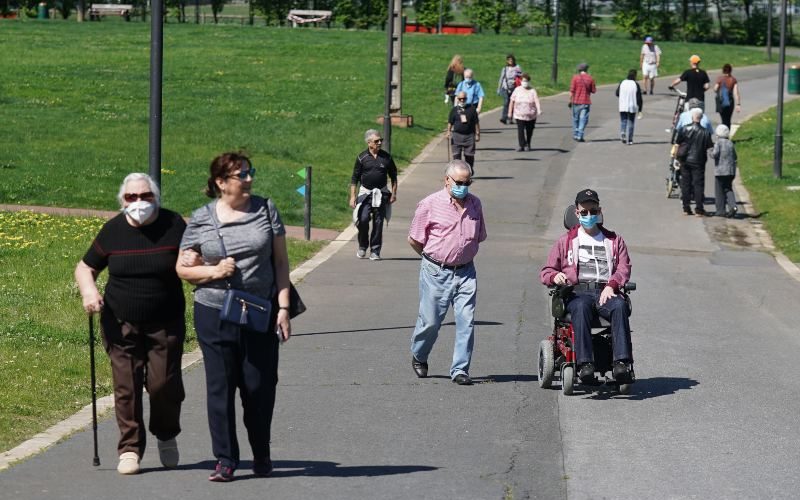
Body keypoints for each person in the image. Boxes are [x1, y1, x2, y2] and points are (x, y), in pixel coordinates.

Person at [177, 152, 292, 482]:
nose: (249, 178)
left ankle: (261, 452)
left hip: (259, 311)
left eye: (249, 172)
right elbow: (183, 268)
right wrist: (213, 270)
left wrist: (283, 308)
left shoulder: (266, 209)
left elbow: (281, 263)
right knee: (220, 386)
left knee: (258, 387)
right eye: (242, 174)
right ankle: (225, 459)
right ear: (221, 182)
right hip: (214, 312)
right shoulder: (201, 218)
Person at [74, 173, 186, 475]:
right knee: (127, 386)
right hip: (120, 320)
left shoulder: (174, 225)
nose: (139, 202)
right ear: (122, 201)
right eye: (131, 197)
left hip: (166, 321)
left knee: (164, 385)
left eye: (146, 196)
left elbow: (192, 259)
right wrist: (90, 292)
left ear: (157, 198)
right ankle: (129, 449)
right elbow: (86, 267)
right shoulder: (112, 230)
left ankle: (166, 433)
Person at [539, 188, 634, 384]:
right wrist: (556, 276)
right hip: (577, 292)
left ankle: (621, 364)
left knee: (619, 306)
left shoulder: (614, 240)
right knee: (580, 307)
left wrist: (612, 285)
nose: (589, 215)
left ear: (600, 211)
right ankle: (585, 365)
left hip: (605, 291)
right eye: (584, 212)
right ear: (577, 213)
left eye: (593, 211)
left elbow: (624, 268)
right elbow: (546, 271)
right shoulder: (565, 242)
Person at [408, 160, 487, 386]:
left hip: (466, 272)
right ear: (447, 180)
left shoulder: (475, 204)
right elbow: (414, 239)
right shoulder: (429, 204)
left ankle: (460, 369)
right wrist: (432, 258)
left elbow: (480, 235)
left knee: (466, 322)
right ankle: (419, 354)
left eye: (467, 182)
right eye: (459, 182)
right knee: (431, 321)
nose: (464, 186)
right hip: (435, 270)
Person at [350, 129, 398, 260]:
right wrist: (353, 196)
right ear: (369, 143)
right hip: (365, 193)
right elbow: (354, 178)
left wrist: (393, 193)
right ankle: (363, 246)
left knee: (378, 222)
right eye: (377, 141)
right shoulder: (362, 158)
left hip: (381, 194)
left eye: (381, 140)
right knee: (363, 219)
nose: (380, 143)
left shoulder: (386, 157)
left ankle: (375, 251)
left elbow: (394, 176)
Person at [676, 108, 714, 216]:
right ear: (701, 118)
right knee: (698, 185)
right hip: (699, 160)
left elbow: (678, 141)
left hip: (685, 159)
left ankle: (686, 208)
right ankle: (699, 209)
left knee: (685, 183)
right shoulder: (705, 132)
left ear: (692, 117)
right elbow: (709, 146)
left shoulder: (684, 129)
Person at [507, 72, 542, 151]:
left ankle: (528, 143)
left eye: (526, 81)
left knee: (529, 130)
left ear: (529, 82)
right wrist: (509, 113)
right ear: (521, 81)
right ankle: (522, 145)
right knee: (521, 130)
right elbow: (512, 101)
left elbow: (536, 100)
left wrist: (539, 110)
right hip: (519, 114)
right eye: (523, 81)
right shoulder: (517, 90)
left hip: (531, 115)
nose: (525, 83)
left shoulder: (532, 91)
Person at [447, 91, 480, 173]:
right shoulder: (454, 110)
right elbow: (450, 122)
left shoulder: (472, 109)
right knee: (456, 156)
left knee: (469, 156)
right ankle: (458, 173)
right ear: (457, 99)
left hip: (469, 136)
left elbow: (476, 122)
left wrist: (478, 134)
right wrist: (448, 132)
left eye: (464, 98)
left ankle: (469, 171)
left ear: (466, 98)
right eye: (460, 99)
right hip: (457, 136)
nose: (462, 100)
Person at [712, 124, 738, 218]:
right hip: (731, 171)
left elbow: (715, 154)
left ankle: (720, 210)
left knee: (719, 190)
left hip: (720, 171)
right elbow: (735, 156)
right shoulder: (730, 143)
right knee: (728, 188)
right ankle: (733, 206)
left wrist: (710, 152)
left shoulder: (718, 143)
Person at [569, 62, 596, 142]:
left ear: (579, 69)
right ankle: (580, 135)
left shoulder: (575, 78)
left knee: (575, 118)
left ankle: (575, 133)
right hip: (585, 101)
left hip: (576, 101)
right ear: (587, 69)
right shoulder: (590, 78)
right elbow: (593, 90)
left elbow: (572, 91)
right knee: (583, 119)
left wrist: (570, 100)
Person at [616, 69, 643, 145]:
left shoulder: (622, 82)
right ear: (635, 76)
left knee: (623, 120)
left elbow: (617, 93)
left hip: (623, 105)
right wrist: (640, 109)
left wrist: (623, 96)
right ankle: (630, 139)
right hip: (632, 105)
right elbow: (639, 98)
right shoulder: (635, 84)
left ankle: (623, 132)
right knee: (631, 122)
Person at [714, 64, 742, 128]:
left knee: (723, 119)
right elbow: (736, 93)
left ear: (723, 70)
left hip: (721, 102)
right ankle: (727, 134)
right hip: (730, 102)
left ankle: (723, 134)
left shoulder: (720, 79)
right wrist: (738, 104)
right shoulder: (733, 80)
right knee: (728, 119)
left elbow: (715, 89)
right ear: (730, 70)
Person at [497, 54, 522, 124]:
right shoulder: (504, 69)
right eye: (509, 60)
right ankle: (504, 117)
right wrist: (499, 88)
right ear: (507, 61)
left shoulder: (517, 67)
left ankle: (510, 118)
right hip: (505, 87)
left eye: (512, 60)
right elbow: (501, 79)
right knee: (506, 102)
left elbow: (521, 77)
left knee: (513, 103)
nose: (510, 61)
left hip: (514, 88)